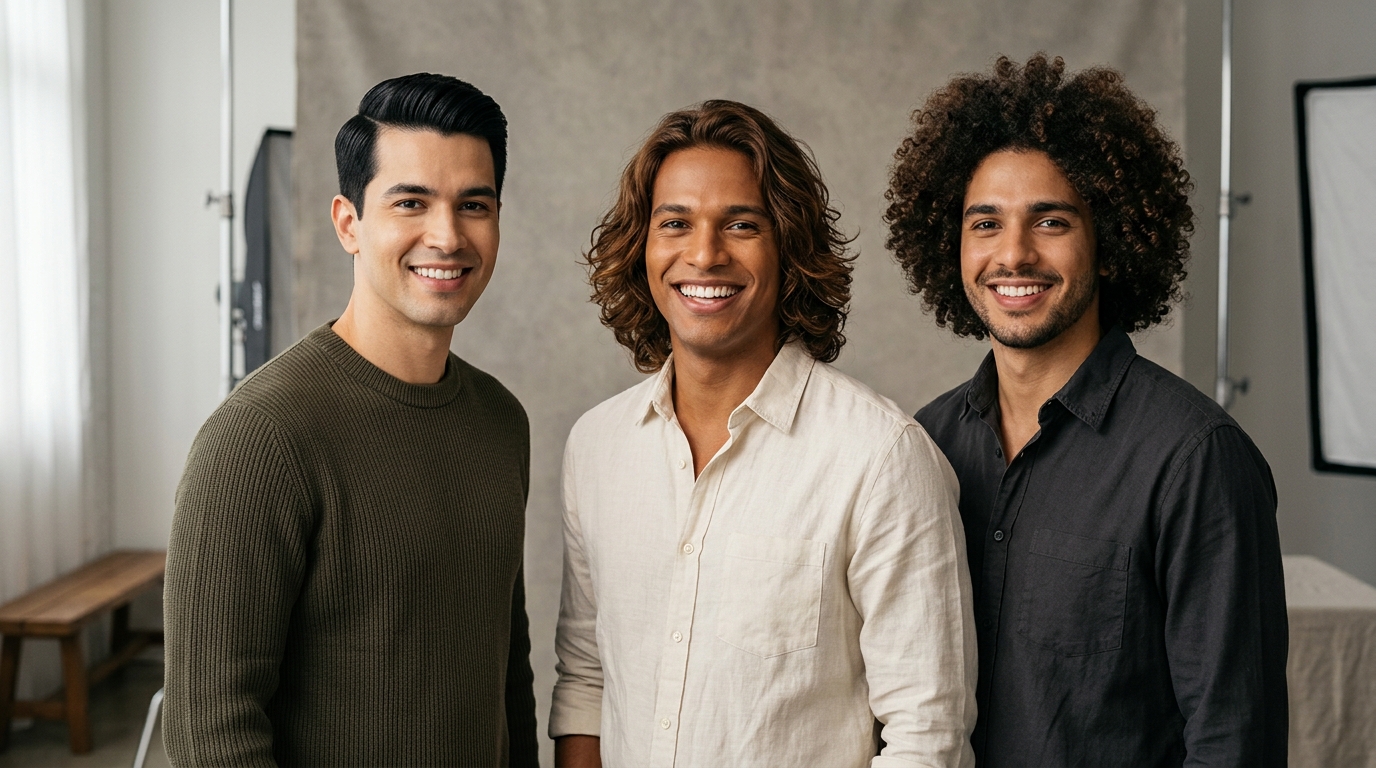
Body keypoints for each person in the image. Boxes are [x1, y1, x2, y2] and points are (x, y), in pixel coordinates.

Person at [885, 54, 1288, 766]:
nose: (1013, 254)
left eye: (1051, 221)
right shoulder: (924, 443)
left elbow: (1234, 740)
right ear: (951, 245)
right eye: (986, 224)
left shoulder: (1195, 458)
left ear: (1111, 240)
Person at [550, 99, 976, 768]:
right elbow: (586, 679)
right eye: (675, 223)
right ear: (642, 246)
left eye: (741, 224)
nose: (705, 253)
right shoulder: (597, 448)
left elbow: (929, 736)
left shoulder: (880, 458)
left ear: (789, 247)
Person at [163, 73, 538, 766]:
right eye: (411, 202)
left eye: (474, 205)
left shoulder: (500, 422)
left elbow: (503, 675)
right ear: (348, 223)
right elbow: (207, 732)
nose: (447, 235)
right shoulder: (260, 438)